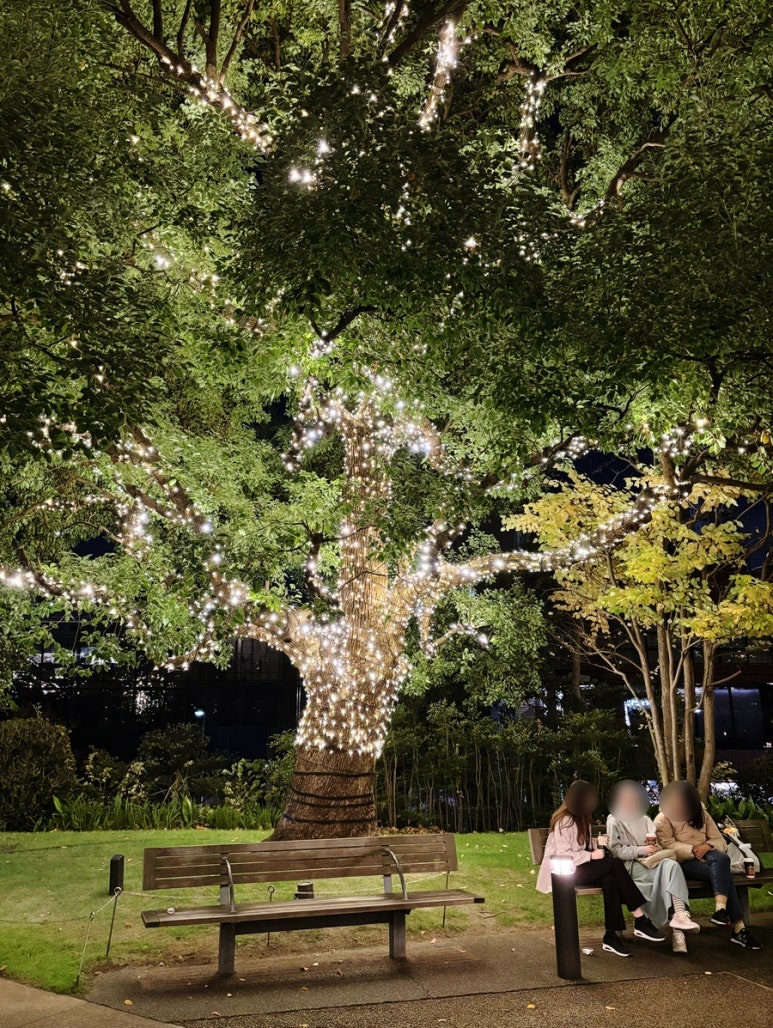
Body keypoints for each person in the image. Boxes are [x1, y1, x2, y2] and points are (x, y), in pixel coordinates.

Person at [537, 779, 665, 957]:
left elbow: (580, 843)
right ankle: (640, 919)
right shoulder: (564, 821)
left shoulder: (581, 817)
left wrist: (595, 842)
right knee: (614, 864)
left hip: (579, 868)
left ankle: (611, 935)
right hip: (564, 872)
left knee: (610, 879)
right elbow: (564, 853)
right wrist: (590, 855)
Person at [655, 780, 761, 951]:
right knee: (724, 874)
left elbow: (719, 839)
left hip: (708, 856)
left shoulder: (701, 813)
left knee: (722, 860)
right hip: (682, 862)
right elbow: (667, 845)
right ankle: (738, 927)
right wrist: (693, 849)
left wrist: (708, 846)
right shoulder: (663, 819)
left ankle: (721, 910)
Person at [606, 780, 700, 953]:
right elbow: (617, 852)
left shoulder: (645, 819)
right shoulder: (614, 821)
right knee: (669, 882)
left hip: (653, 861)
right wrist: (642, 849)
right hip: (632, 866)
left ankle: (680, 916)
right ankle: (678, 934)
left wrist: (654, 848)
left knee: (672, 866)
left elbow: (656, 843)